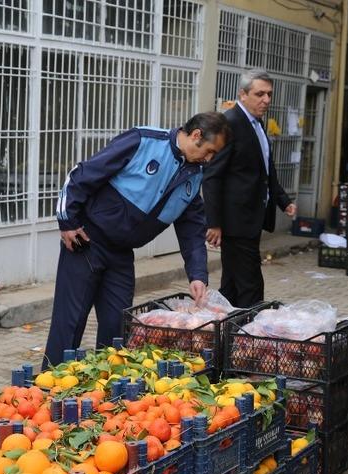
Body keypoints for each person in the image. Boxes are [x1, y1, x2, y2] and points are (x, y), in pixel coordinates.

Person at [44, 112, 231, 367]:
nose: (209, 159)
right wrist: (68, 221)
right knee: (70, 323)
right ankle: (47, 390)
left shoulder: (194, 174)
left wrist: (197, 275)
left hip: (121, 254)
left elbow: (192, 229)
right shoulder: (143, 141)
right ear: (196, 135)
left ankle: (104, 392)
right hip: (87, 241)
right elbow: (82, 174)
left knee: (119, 330)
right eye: (209, 151)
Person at [203, 69, 296, 308]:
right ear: (242, 95)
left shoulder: (257, 124)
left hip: (252, 217)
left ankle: (224, 332)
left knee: (233, 284)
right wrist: (214, 222)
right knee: (251, 284)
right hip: (236, 220)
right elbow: (212, 176)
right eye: (259, 94)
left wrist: (283, 200)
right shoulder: (230, 123)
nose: (266, 100)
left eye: (269, 94)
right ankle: (251, 333)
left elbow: (265, 169)